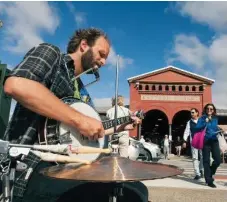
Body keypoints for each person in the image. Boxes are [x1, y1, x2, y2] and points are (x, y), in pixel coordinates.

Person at [3, 28, 148, 202]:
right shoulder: (52, 54)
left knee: (136, 188)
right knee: (129, 195)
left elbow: (90, 131)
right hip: (31, 166)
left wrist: (123, 125)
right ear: (84, 45)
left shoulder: (83, 92)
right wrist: (79, 120)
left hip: (70, 165)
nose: (103, 62)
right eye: (101, 54)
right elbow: (17, 85)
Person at [195, 103, 221, 188]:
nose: (209, 110)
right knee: (206, 161)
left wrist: (220, 129)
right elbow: (197, 128)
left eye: (211, 109)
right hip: (205, 141)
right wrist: (205, 122)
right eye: (208, 109)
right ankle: (209, 180)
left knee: (218, 160)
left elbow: (214, 128)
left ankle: (210, 172)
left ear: (213, 111)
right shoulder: (202, 118)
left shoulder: (215, 118)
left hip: (214, 140)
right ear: (205, 110)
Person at [183, 108, 203, 180]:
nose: (192, 114)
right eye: (191, 113)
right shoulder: (189, 122)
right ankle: (197, 173)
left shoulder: (202, 121)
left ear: (197, 113)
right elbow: (186, 132)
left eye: (193, 112)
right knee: (195, 158)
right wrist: (184, 141)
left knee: (203, 156)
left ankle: (201, 169)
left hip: (201, 141)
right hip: (194, 142)